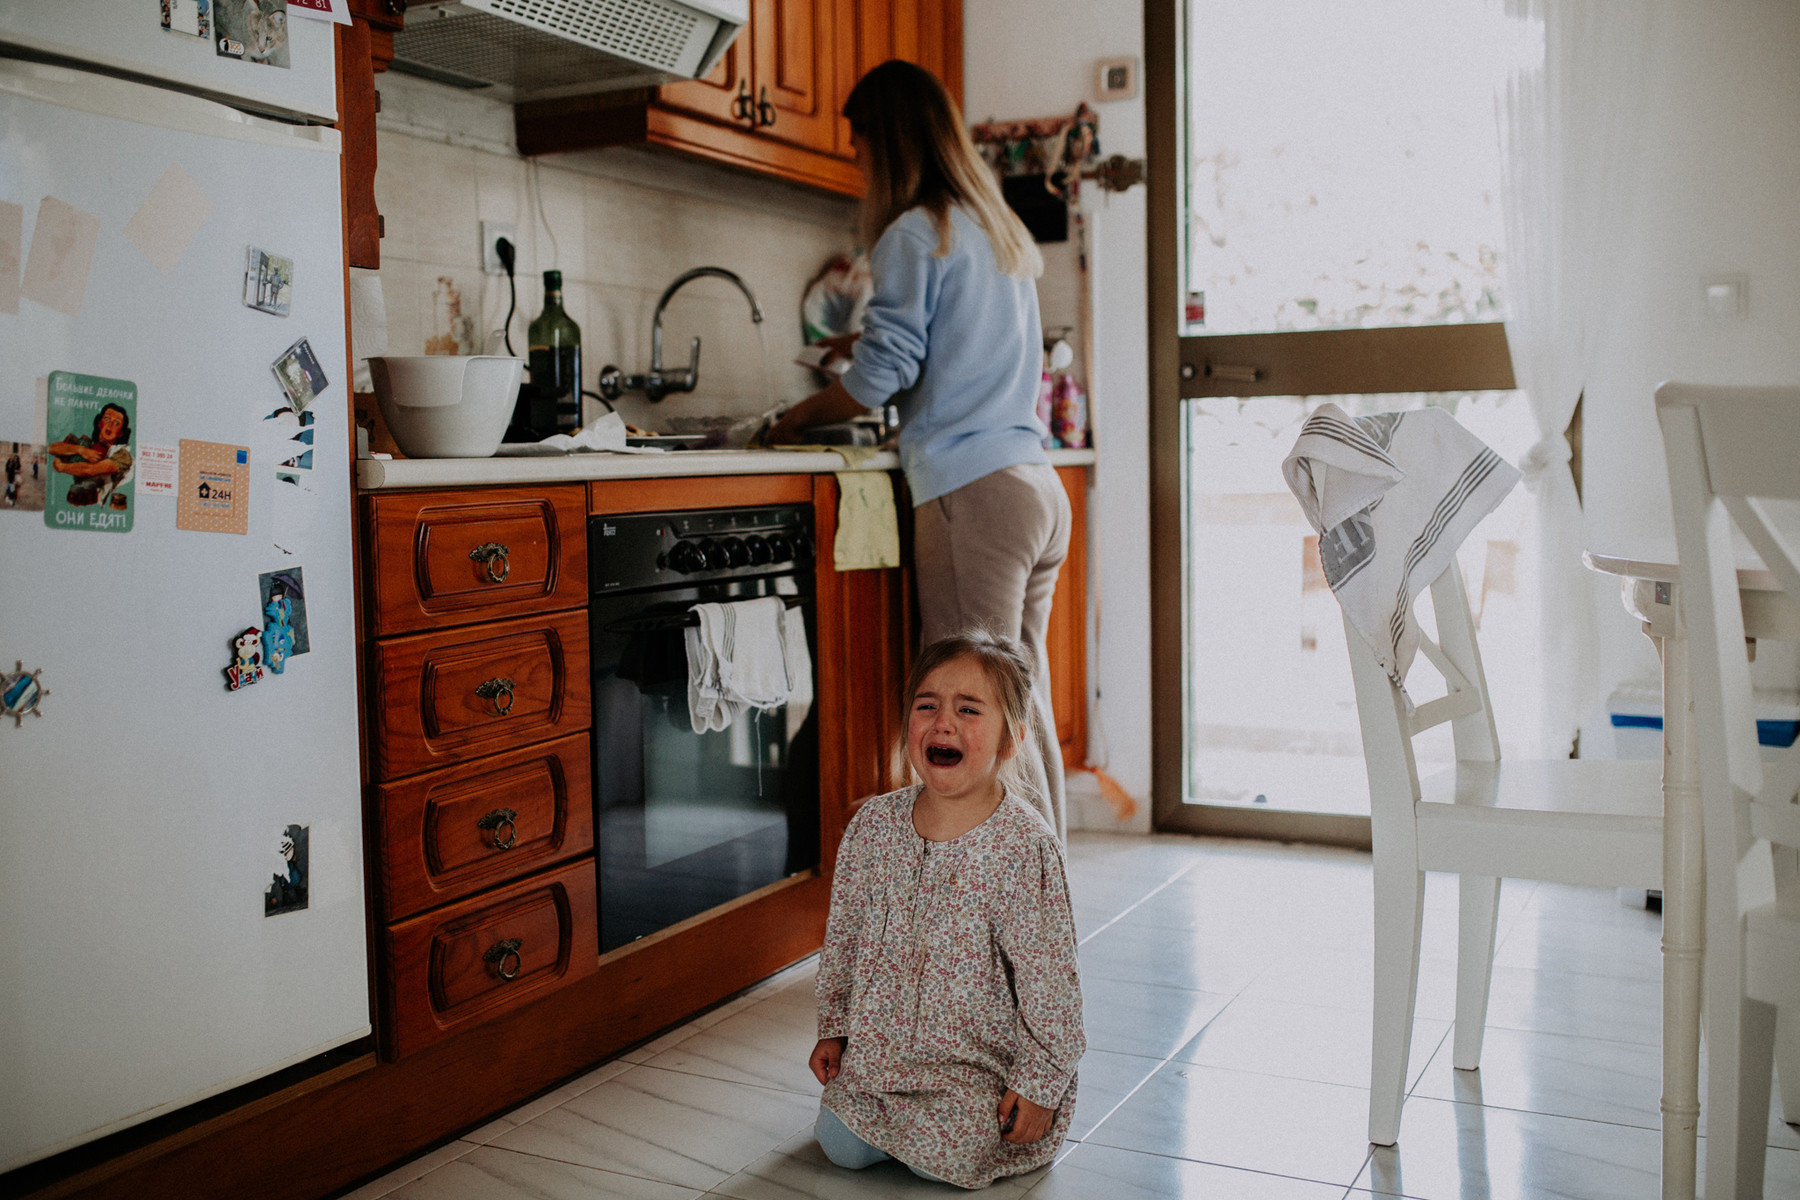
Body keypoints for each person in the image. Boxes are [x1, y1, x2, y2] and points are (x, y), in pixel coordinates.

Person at [767, 60, 1071, 840]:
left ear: (889, 141)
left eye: (861, 144)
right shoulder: (991, 229)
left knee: (970, 725)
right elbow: (942, 348)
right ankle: (1042, 920)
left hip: (974, 495)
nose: (859, 162)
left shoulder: (914, 231)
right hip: (1032, 486)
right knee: (1014, 711)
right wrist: (868, 342)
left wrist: (794, 419)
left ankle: (1003, 935)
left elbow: (881, 377)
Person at [809, 630, 1083, 1189]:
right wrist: (834, 1029)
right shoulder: (873, 827)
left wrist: (1038, 1086)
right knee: (838, 1143)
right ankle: (892, 1126)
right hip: (880, 1063)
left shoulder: (1023, 848)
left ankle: (950, 1135)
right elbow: (842, 941)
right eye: (926, 706)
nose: (943, 723)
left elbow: (1050, 985)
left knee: (950, 1156)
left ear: (1010, 740)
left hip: (975, 1073)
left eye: (968, 710)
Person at [48, 403, 133, 507]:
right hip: (76, 501)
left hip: (98, 504)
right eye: (106, 419)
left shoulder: (123, 454)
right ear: (99, 423)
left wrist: (62, 467)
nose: (110, 425)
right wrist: (80, 449)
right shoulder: (88, 444)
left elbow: (91, 469)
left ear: (121, 432)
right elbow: (52, 448)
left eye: (116, 423)